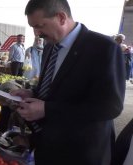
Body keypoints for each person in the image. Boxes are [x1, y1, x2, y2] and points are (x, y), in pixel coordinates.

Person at [11, 0, 126, 165]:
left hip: (80, 152)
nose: (36, 33)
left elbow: (110, 107)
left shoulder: (103, 48)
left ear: (61, 17)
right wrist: (32, 93)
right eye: (33, 27)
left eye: (40, 26)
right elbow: (56, 89)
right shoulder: (50, 47)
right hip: (49, 146)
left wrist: (47, 109)